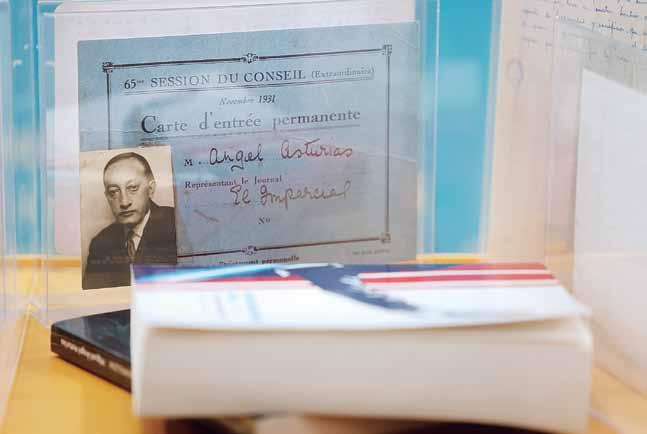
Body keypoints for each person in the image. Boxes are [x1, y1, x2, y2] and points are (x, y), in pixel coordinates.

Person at [83, 152, 177, 290]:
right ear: (107, 197)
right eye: (114, 192)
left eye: (133, 188)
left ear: (150, 189)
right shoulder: (100, 244)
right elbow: (93, 298)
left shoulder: (177, 225)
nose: (124, 202)